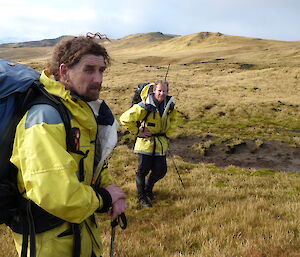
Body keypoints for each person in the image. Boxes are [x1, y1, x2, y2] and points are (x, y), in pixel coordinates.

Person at [9, 34, 126, 257]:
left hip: (79, 233)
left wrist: (114, 193)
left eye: (101, 70)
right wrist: (104, 198)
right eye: (89, 69)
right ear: (63, 72)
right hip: (49, 242)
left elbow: (91, 162)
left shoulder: (78, 111)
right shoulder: (44, 117)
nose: (98, 79)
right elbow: (57, 194)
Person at [120, 80, 177, 207]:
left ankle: (148, 190)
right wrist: (137, 132)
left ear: (168, 92)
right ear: (154, 91)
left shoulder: (170, 106)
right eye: (159, 91)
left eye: (164, 91)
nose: (162, 93)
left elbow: (173, 120)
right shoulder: (145, 105)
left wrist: (168, 134)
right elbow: (125, 118)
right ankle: (142, 197)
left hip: (160, 143)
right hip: (145, 144)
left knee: (161, 170)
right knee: (142, 171)